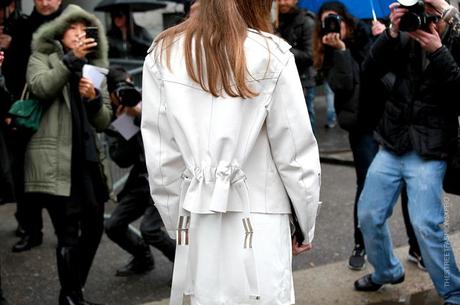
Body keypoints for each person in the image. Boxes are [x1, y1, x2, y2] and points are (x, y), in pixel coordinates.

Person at [141, 0, 321, 304]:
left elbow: (162, 157)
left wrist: (176, 222)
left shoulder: (163, 54)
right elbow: (295, 154)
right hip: (262, 217)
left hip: (197, 214)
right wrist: (305, 224)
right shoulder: (271, 53)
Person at [354, 1, 460, 304]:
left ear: (446, 14)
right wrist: (391, 31)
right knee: (369, 215)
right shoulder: (402, 35)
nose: (425, 19)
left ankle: (454, 292)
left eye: (433, 13)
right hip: (392, 141)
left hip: (430, 149)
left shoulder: (454, 37)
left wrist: (439, 51)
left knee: (426, 225)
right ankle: (386, 271)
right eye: (420, 10)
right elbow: (369, 69)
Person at [25, 4, 112, 305]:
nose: (78, 34)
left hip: (89, 161)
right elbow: (40, 88)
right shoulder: (41, 57)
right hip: (56, 159)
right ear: (60, 34)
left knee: (95, 227)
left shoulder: (95, 67)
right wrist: (68, 62)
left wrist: (94, 99)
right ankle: (72, 297)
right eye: (72, 28)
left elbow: (105, 120)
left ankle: (72, 290)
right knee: (67, 232)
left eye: (83, 29)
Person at [3, 0, 63, 253]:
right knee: (24, 175)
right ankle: (31, 229)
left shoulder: (71, 22)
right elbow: (11, 70)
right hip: (27, 111)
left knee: (62, 172)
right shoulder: (22, 28)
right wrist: (10, 108)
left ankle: (66, 230)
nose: (46, 1)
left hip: (61, 111)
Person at [104, 65, 175, 277]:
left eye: (129, 87)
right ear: (111, 96)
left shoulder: (153, 104)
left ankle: (186, 268)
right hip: (142, 180)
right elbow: (123, 159)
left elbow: (171, 139)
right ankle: (143, 258)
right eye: (120, 91)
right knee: (113, 225)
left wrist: (142, 116)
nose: (126, 94)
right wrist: (125, 123)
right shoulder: (117, 118)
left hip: (165, 177)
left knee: (149, 229)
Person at [277, 0, 317, 131]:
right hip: (284, 80)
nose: (282, 3)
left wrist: (282, 46)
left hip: (303, 80)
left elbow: (310, 56)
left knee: (305, 124)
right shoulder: (278, 20)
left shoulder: (307, 22)